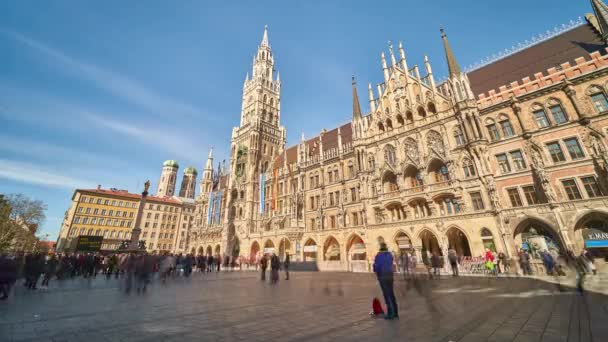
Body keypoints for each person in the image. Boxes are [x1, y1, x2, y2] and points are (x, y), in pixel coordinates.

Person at [373, 243, 398, 320]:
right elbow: (390, 263)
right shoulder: (390, 255)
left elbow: (377, 267)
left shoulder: (378, 255)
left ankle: (390, 313)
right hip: (390, 275)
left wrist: (374, 268)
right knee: (391, 293)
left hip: (382, 276)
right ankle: (396, 312)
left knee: (386, 294)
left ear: (380, 248)